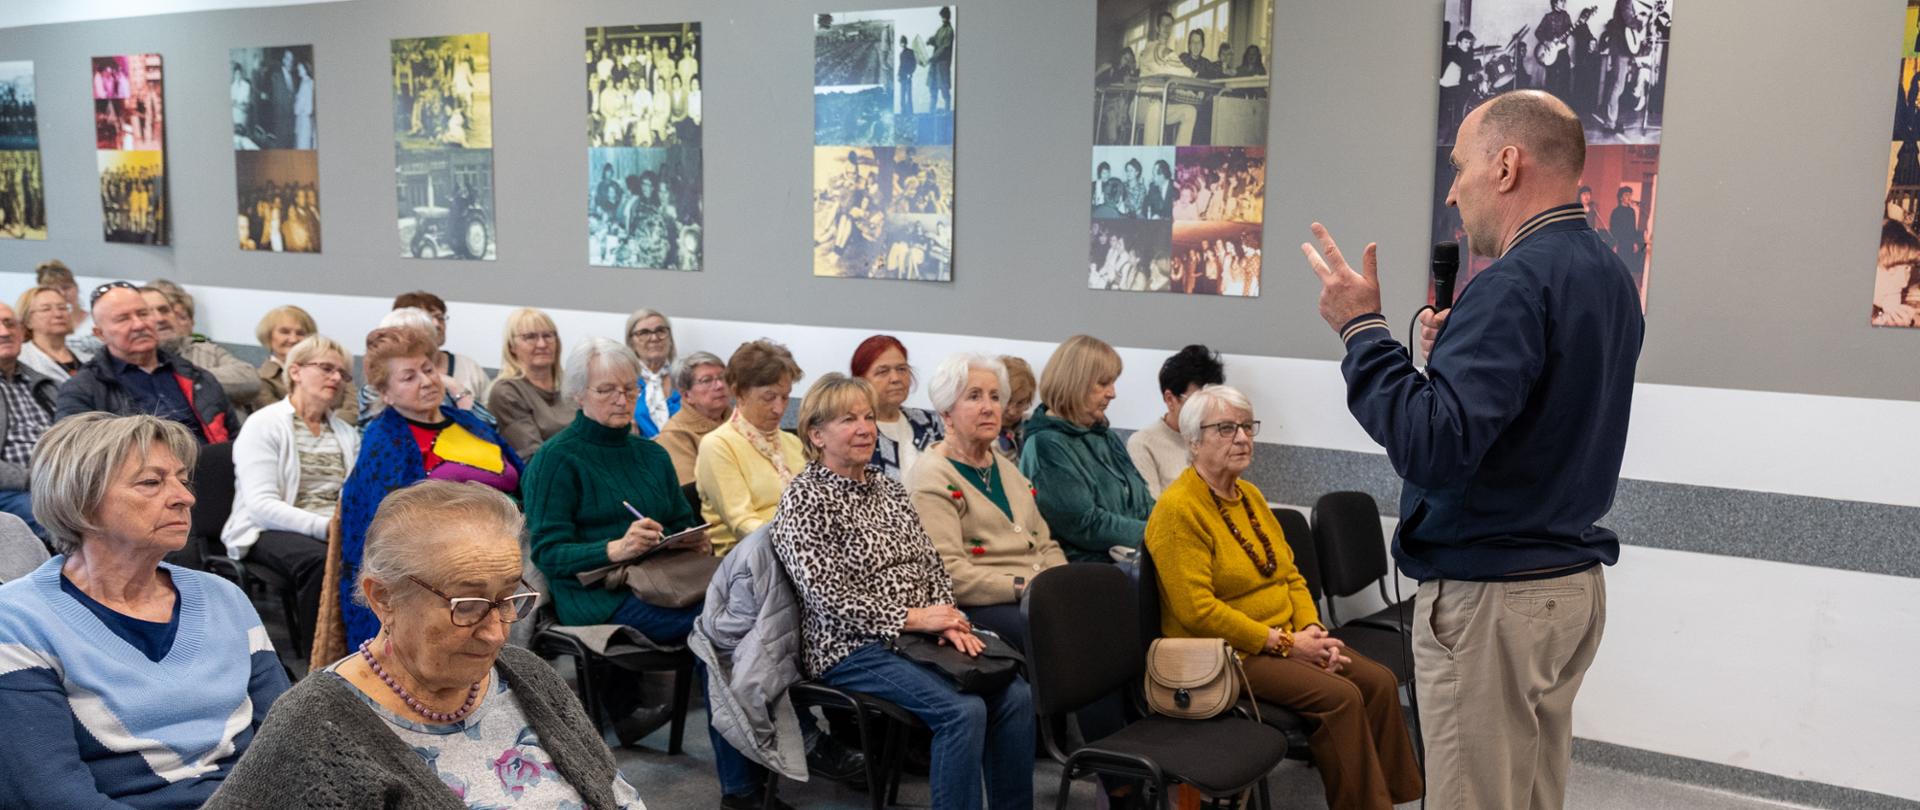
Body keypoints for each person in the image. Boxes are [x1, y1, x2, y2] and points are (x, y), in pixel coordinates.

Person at [1301, 90, 1643, 810]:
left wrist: (1363, 333)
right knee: (1529, 796)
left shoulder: (1513, 284)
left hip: (1496, 598)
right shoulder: (1609, 274)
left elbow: (1434, 449)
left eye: (1458, 168)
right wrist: (1454, 354)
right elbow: (1530, 409)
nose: (1453, 192)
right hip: (1568, 586)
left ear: (1507, 165)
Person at [206, 480, 646, 809]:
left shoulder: (525, 674)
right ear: (384, 598)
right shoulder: (317, 725)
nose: (497, 632)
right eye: (468, 605)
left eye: (509, 598)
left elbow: (615, 793)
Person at [521, 339, 780, 806]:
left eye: (631, 389)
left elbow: (683, 522)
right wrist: (615, 547)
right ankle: (745, 788)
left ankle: (762, 772)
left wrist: (690, 536)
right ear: (578, 394)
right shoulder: (556, 460)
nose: (623, 400)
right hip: (598, 594)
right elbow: (549, 553)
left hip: (668, 582)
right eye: (608, 391)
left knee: (758, 615)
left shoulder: (652, 455)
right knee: (722, 629)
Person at [1146, 385, 1423, 809]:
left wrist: (1312, 629)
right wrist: (1288, 645)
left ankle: (1397, 798)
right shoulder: (1178, 509)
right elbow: (1197, 612)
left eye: (1246, 426)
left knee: (1379, 682)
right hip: (1224, 656)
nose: (1242, 438)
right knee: (1341, 697)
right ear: (1193, 440)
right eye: (1225, 428)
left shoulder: (1250, 496)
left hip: (1287, 638)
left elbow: (1291, 576)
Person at [771, 373, 1034, 810]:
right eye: (847, 420)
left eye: (869, 417)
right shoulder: (805, 499)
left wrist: (947, 618)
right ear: (816, 434)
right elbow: (829, 598)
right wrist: (914, 619)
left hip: (917, 634)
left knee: (1015, 695)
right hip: (850, 647)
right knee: (961, 712)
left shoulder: (888, 487)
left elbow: (930, 564)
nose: (864, 428)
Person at [0, 413, 289, 807]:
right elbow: (53, 795)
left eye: (183, 480)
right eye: (152, 483)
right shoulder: (18, 620)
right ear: (81, 500)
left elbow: (286, 739)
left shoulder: (225, 598)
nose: (184, 497)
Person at [338, 327, 523, 649]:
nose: (426, 381)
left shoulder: (467, 422)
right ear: (386, 393)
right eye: (409, 377)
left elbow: (521, 474)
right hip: (447, 566)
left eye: (428, 369)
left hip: (513, 536)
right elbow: (391, 529)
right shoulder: (385, 441)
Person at [909, 354, 1066, 652]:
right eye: (974, 396)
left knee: (1100, 616)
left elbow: (1046, 544)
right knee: (1059, 632)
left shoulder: (1006, 469)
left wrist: (1062, 583)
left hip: (1038, 594)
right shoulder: (932, 476)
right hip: (985, 604)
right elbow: (949, 572)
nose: (988, 407)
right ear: (946, 412)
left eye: (995, 397)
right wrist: (1025, 586)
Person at [223, 335, 357, 656]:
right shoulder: (264, 425)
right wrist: (327, 528)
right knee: (319, 561)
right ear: (295, 371)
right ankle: (321, 659)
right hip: (267, 528)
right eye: (326, 368)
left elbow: (352, 496)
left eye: (343, 373)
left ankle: (363, 652)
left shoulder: (346, 433)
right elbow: (261, 506)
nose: (336, 378)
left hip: (332, 526)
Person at [1019, 335, 1154, 563]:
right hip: (1085, 574)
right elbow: (1085, 524)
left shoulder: (1105, 435)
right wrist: (1163, 534)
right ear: (1074, 383)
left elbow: (1143, 503)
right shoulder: (1046, 444)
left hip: (1133, 562)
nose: (1112, 393)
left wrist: (1175, 526)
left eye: (1113, 383)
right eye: (1103, 384)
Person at [55, 282, 236, 444]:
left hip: (213, 473)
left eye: (143, 314)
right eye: (123, 319)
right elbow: (75, 458)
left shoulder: (196, 377)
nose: (139, 325)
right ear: (100, 334)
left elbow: (236, 441)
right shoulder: (83, 390)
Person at [695, 340, 804, 556]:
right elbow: (742, 523)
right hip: (746, 563)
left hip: (799, 553)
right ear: (740, 392)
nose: (779, 408)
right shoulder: (718, 445)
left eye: (785, 397)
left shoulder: (792, 442)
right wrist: (803, 542)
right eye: (769, 397)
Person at [358, 306, 492, 424]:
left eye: (422, 339)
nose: (414, 346)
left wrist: (456, 388)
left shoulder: (443, 383)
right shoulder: (374, 393)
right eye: (409, 378)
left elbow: (488, 429)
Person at [1127, 344, 1225, 496]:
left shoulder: (1219, 437)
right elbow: (1152, 514)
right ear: (1170, 399)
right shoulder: (1143, 444)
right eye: (1197, 402)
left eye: (1212, 401)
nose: (1206, 410)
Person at [148, 289, 263, 412]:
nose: (160, 319)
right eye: (148, 313)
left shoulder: (206, 350)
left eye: (165, 310)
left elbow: (250, 379)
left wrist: (186, 379)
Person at [851, 334, 944, 481]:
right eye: (883, 371)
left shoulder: (931, 422)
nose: (895, 378)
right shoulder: (855, 431)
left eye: (901, 369)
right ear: (860, 381)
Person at [486, 307, 575, 459]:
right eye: (530, 337)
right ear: (511, 347)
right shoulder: (507, 392)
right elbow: (533, 457)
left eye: (548, 335)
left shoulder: (574, 385)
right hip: (547, 476)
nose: (542, 344)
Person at [0, 301, 55, 537]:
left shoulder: (48, 385)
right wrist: (36, 478)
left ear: (22, 332)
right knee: (55, 519)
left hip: (62, 481)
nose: (4, 332)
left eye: (9, 323)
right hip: (13, 489)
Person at [395, 290, 491, 407]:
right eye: (428, 318)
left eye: (440, 317)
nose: (436, 324)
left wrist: (457, 389)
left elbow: (491, 418)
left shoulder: (468, 367)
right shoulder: (390, 370)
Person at [656, 350, 730, 484]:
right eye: (707, 380)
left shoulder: (741, 418)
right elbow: (691, 493)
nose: (720, 385)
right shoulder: (675, 435)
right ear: (687, 395)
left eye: (722, 377)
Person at [624, 307, 681, 437]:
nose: (654, 338)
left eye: (661, 331)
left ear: (670, 338)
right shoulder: (623, 381)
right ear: (631, 342)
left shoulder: (685, 377)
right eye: (644, 333)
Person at [16, 284, 91, 382]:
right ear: (28, 321)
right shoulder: (19, 358)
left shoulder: (89, 359)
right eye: (46, 309)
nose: (58, 314)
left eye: (62, 308)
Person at [249, 304, 317, 411]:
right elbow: (278, 417)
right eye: (285, 332)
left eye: (300, 333)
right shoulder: (260, 380)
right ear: (268, 336)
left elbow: (348, 410)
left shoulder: (333, 370)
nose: (293, 339)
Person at [996, 355, 1035, 458]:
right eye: (1007, 401)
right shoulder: (983, 433)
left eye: (1021, 402)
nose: (1013, 412)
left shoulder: (1034, 425)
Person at [929, 6, 955, 113]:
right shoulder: (940, 29)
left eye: (944, 17)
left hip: (943, 64)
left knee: (944, 89)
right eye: (942, 17)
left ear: (948, 17)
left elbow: (944, 47)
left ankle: (947, 112)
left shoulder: (949, 31)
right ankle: (931, 112)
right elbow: (935, 40)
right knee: (933, 88)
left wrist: (933, 57)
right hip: (935, 65)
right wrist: (930, 41)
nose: (943, 19)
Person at [898, 34, 919, 115]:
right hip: (902, 77)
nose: (903, 44)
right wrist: (898, 75)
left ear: (906, 43)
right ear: (900, 44)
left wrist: (910, 73)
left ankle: (910, 113)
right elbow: (901, 65)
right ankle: (903, 113)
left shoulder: (910, 52)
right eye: (901, 43)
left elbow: (914, 64)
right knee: (902, 96)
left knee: (908, 96)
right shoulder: (901, 54)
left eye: (904, 42)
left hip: (908, 76)